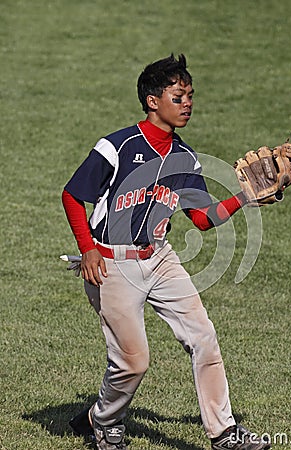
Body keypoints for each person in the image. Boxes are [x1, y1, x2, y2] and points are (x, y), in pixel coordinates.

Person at [63, 54, 270, 450]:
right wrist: (86, 249)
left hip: (159, 257)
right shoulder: (117, 146)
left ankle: (224, 431)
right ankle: (102, 419)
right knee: (133, 362)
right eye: (179, 96)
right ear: (153, 101)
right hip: (110, 264)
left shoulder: (185, 157)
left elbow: (202, 218)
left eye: (191, 95)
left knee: (203, 336)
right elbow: (73, 195)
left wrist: (245, 197)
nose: (188, 103)